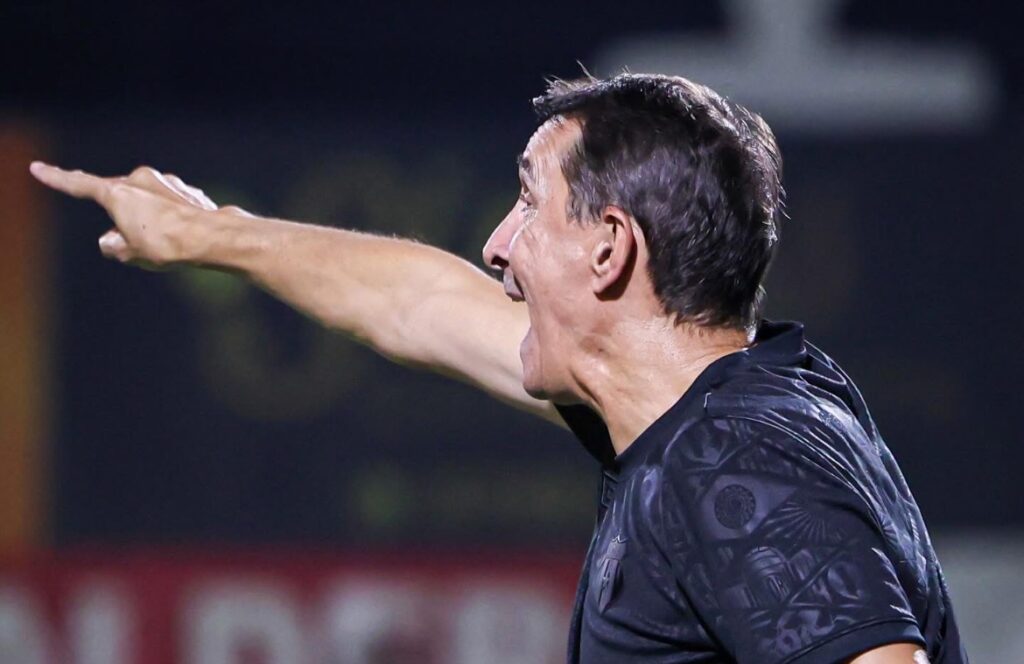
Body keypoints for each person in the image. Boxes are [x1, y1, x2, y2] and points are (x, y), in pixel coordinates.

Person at [30, 73, 964, 664]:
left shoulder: (730, 461)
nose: (496, 244)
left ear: (609, 249)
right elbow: (417, 306)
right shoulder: (717, 405)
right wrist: (210, 234)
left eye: (527, 201)